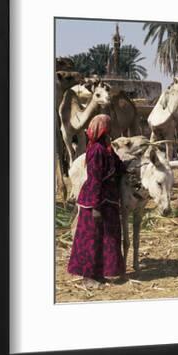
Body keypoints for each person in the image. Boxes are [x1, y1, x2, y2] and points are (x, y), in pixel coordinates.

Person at [67, 114, 126, 288]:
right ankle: (88, 278)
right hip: (96, 202)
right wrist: (95, 207)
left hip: (108, 201)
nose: (112, 128)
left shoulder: (107, 148)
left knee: (106, 239)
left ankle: (100, 274)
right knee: (91, 239)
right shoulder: (97, 151)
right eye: (110, 125)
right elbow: (95, 179)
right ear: (104, 129)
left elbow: (118, 165)